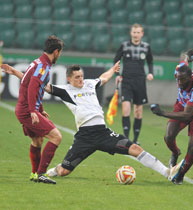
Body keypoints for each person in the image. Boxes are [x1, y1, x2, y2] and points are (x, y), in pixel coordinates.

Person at [2, 62, 181, 183]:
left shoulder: (89, 84)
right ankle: (50, 172)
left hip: (103, 133)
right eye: (77, 77)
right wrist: (15, 72)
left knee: (135, 149)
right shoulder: (64, 90)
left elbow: (103, 78)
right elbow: (37, 83)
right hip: (84, 137)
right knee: (64, 170)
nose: (81, 79)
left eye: (81, 76)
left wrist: (113, 69)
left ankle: (167, 172)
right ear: (69, 79)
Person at [1, 35, 64, 184]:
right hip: (26, 110)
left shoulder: (38, 62)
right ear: (56, 51)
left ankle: (35, 174)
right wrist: (33, 111)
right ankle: (42, 173)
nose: (59, 56)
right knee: (56, 137)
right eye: (60, 53)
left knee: (37, 140)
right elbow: (32, 88)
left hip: (24, 109)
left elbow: (29, 83)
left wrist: (39, 109)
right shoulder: (43, 67)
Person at [150, 49, 193, 185]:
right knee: (169, 136)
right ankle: (175, 152)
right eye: (178, 79)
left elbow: (187, 115)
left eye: (183, 80)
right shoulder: (180, 71)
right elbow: (183, 57)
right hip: (181, 105)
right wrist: (187, 55)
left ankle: (180, 175)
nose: (180, 82)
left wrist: (162, 113)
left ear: (190, 77)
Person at [113, 23, 154, 144]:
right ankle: (126, 138)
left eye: (138, 32)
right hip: (126, 80)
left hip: (140, 81)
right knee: (126, 109)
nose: (136, 34)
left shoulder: (146, 47)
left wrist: (150, 73)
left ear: (142, 34)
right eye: (134, 32)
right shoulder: (124, 46)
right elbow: (116, 60)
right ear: (131, 33)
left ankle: (135, 140)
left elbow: (150, 61)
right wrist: (117, 74)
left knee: (138, 111)